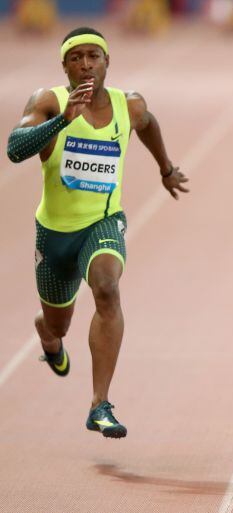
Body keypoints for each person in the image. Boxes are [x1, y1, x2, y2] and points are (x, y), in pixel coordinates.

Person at [6, 27, 189, 438]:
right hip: (53, 236)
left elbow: (148, 123)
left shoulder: (129, 104)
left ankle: (99, 404)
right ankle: (48, 339)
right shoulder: (49, 101)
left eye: (94, 56)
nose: (86, 64)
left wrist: (165, 169)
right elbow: (15, 148)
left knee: (107, 288)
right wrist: (61, 122)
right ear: (65, 66)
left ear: (108, 62)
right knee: (58, 324)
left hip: (102, 224)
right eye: (76, 57)